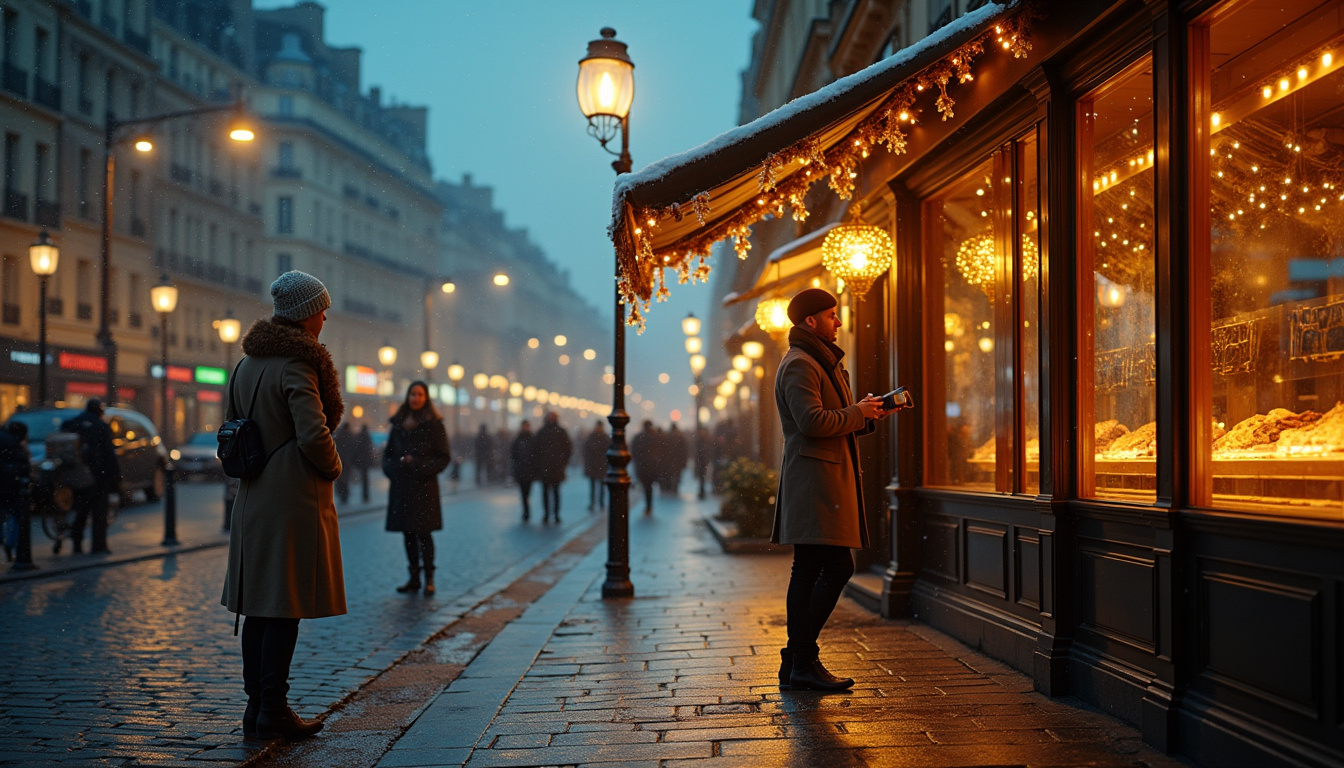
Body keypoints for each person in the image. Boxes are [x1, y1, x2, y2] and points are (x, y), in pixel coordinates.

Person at [221, 270, 346, 741]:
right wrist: (334, 467)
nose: (325, 317)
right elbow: (313, 433)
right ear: (305, 313)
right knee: (284, 604)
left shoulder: (245, 364)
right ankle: (273, 708)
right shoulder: (297, 363)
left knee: (258, 608)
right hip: (290, 497)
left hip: (253, 495)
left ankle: (256, 706)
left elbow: (232, 427)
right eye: (321, 309)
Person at [771, 288, 894, 692]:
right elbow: (812, 422)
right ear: (810, 321)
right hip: (814, 483)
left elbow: (831, 417)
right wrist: (857, 412)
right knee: (826, 569)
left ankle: (798, 661)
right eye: (831, 315)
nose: (838, 322)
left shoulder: (819, 360)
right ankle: (800, 660)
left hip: (822, 480)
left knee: (815, 569)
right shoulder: (801, 363)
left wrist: (866, 412)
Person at [383, 381, 452, 596]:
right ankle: (413, 578)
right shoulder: (398, 423)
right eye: (413, 394)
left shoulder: (434, 424)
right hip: (403, 487)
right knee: (408, 534)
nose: (416, 398)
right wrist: (396, 468)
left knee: (424, 534)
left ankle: (429, 578)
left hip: (424, 488)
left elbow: (443, 457)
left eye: (420, 394)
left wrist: (419, 466)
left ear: (426, 397)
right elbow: (388, 456)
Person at [59, 399, 120, 554]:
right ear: (100, 412)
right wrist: (115, 478)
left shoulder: (72, 423)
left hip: (77, 475)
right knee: (99, 512)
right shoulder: (101, 427)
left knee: (81, 511)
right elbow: (109, 454)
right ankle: (98, 545)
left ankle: (77, 544)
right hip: (98, 476)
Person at [530, 412, 572, 524]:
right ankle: (547, 514)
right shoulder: (544, 432)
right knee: (547, 492)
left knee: (555, 492)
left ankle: (555, 514)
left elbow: (567, 449)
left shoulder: (559, 432)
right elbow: (535, 450)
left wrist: (563, 462)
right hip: (546, 468)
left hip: (555, 467)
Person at [0, 421, 31, 561]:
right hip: (8, 485)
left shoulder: (5, 438)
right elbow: (23, 465)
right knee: (16, 515)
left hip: (5, 483)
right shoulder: (14, 444)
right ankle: (10, 543)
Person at [630, 420, 659, 515]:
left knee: (646, 486)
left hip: (642, 466)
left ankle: (648, 505)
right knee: (649, 486)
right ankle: (649, 505)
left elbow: (634, 452)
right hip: (652, 466)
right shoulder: (655, 437)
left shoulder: (639, 437)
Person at [510, 421, 537, 521]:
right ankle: (526, 511)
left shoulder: (532, 439)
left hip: (529, 470)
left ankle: (526, 510)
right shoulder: (518, 439)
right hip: (521, 469)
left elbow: (537, 453)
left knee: (527, 491)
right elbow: (513, 454)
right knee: (523, 492)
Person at [582, 420, 607, 511]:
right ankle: (595, 503)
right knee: (594, 486)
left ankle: (599, 502)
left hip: (598, 465)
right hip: (597, 465)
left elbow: (585, 451)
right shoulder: (602, 437)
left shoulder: (593, 437)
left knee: (599, 486)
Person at [332, 423, 355, 504]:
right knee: (346, 479)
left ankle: (341, 493)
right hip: (347, 462)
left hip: (339, 460)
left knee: (340, 479)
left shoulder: (338, 435)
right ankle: (345, 495)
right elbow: (353, 449)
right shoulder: (350, 436)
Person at [353, 425, 374, 502]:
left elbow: (356, 449)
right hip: (365, 460)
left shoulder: (359, 437)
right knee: (365, 479)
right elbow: (369, 448)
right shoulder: (367, 437)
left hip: (361, 460)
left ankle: (365, 496)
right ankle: (365, 496)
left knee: (363, 477)